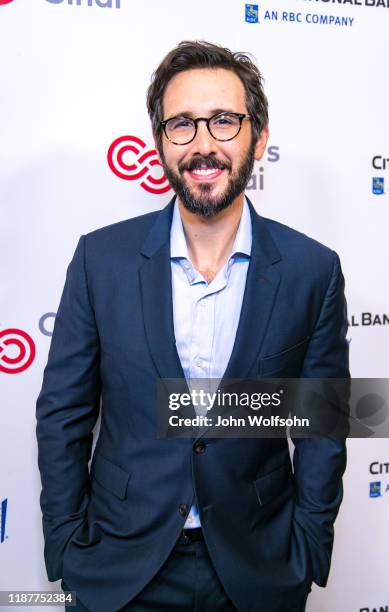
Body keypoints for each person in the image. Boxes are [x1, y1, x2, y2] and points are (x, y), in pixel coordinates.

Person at [36, 41, 349, 612]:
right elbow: (63, 415)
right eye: (182, 124)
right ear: (159, 142)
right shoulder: (100, 260)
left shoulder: (313, 270)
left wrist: (307, 549)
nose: (204, 144)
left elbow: (322, 425)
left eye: (224, 121)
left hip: (258, 570)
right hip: (120, 569)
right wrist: (67, 546)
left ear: (259, 136)